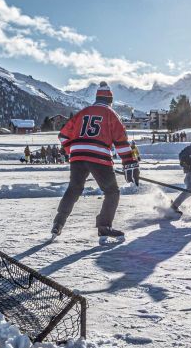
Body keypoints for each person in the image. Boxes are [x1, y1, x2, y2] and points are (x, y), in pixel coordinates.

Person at [51, 82, 137, 241]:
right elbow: (121, 142)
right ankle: (104, 227)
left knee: (74, 189)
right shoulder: (111, 114)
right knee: (112, 192)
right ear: (110, 100)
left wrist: (73, 151)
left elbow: (63, 136)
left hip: (77, 157)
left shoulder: (82, 112)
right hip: (99, 157)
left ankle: (58, 223)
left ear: (97, 98)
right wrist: (129, 162)